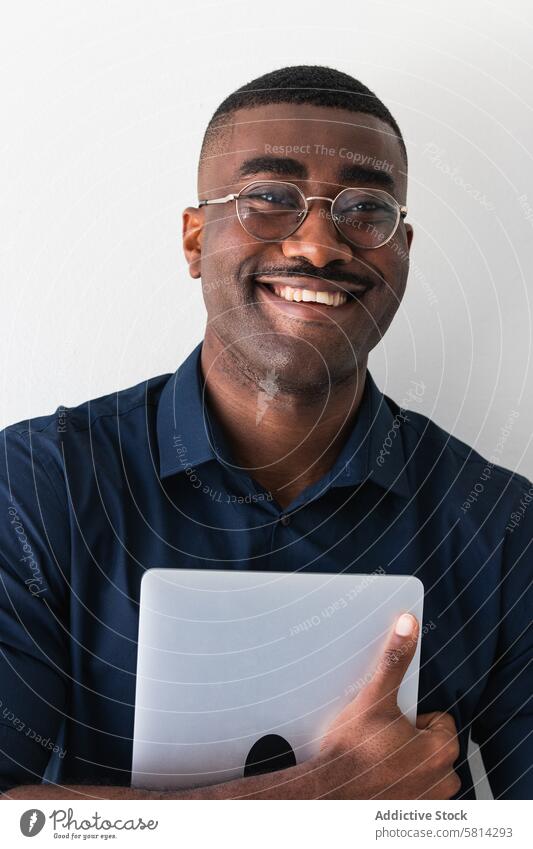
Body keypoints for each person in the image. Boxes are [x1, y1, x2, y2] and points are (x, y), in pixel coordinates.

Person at [1, 65, 531, 800]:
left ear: (402, 249)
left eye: (366, 209)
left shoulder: (501, 525)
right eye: (270, 198)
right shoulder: (35, 486)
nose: (318, 244)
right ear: (194, 240)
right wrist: (319, 797)